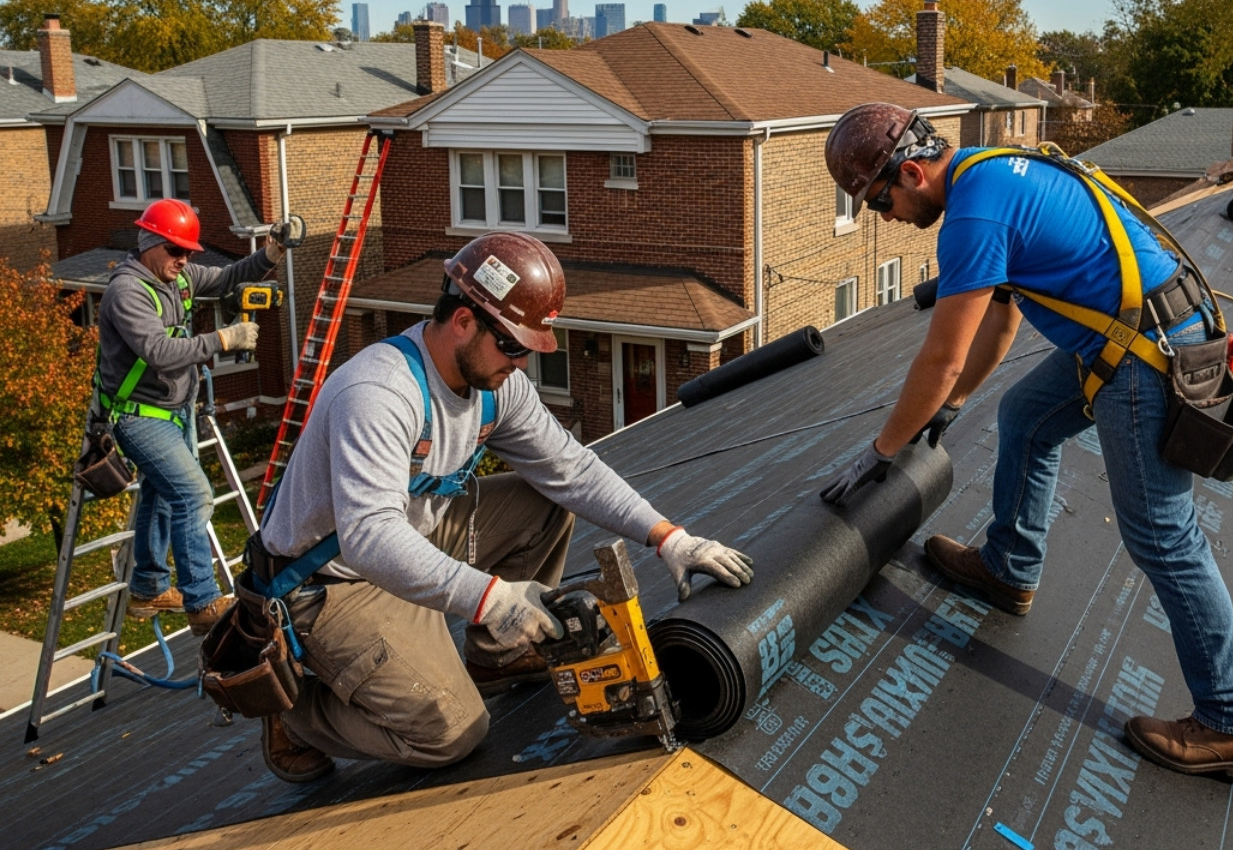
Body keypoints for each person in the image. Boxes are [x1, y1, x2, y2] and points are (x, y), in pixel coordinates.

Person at [818, 103, 1233, 776]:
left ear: (910, 171)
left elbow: (940, 357)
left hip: (1147, 355)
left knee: (1163, 536)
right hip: (1138, 332)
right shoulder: (989, 171)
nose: (885, 218)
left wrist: (881, 451)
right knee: (1026, 417)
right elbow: (998, 328)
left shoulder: (973, 215)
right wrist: (957, 404)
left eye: (881, 201)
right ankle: (1010, 568)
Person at [252, 232, 754, 782]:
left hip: (413, 538)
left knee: (542, 500)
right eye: (513, 347)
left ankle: (497, 655)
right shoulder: (379, 393)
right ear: (464, 321)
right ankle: (295, 712)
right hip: (331, 582)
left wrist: (668, 537)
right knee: (452, 733)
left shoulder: (495, 384)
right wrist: (493, 598)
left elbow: (571, 469)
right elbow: (370, 538)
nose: (520, 364)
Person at [96, 198, 282, 636]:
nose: (183, 260)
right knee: (193, 496)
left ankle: (147, 586)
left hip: (173, 411)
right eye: (175, 251)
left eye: (187, 253)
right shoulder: (127, 291)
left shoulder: (176, 278)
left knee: (162, 496)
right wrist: (223, 338)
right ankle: (201, 600)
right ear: (149, 243)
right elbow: (159, 351)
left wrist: (270, 252)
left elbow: (227, 278)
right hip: (139, 415)